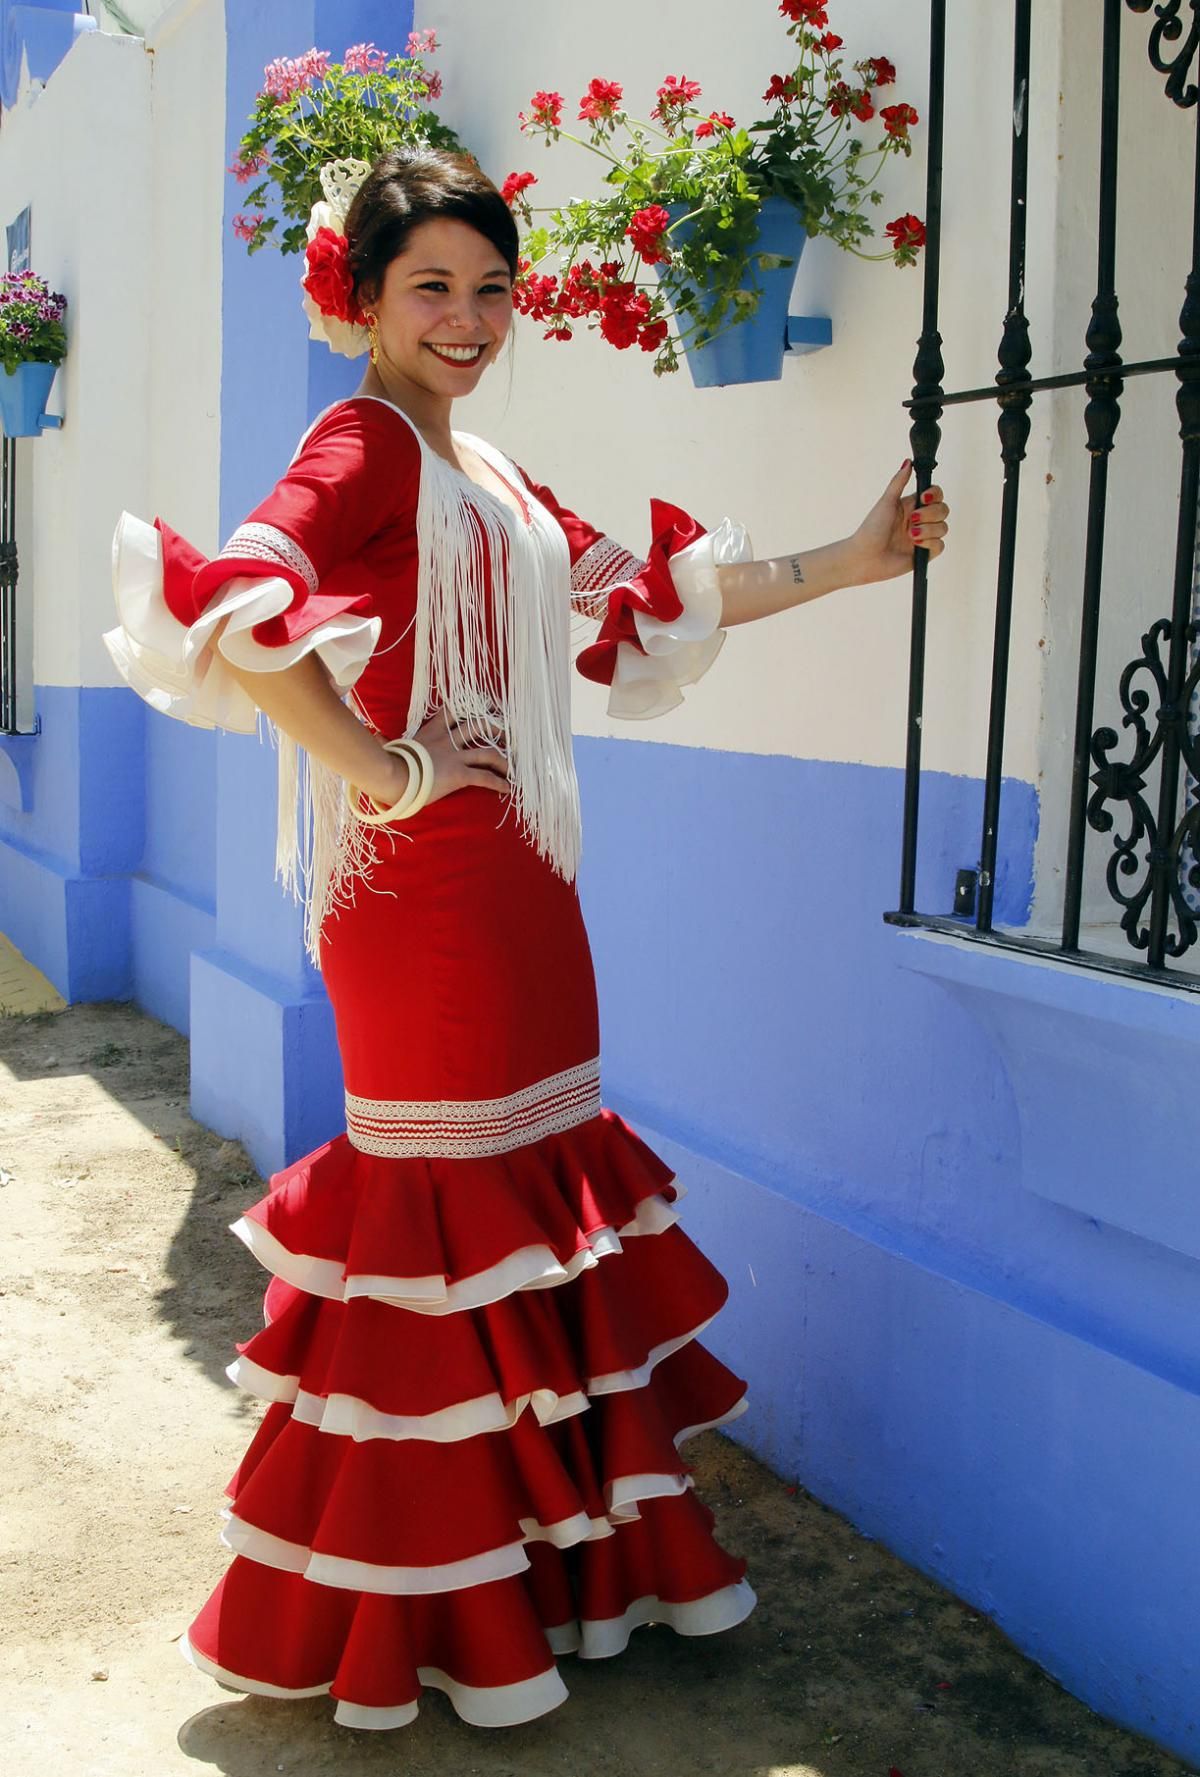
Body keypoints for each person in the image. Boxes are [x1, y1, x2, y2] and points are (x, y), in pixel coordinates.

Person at [104, 148, 949, 1733]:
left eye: (491, 287)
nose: (469, 316)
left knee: (527, 1208)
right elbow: (230, 612)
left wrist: (850, 562)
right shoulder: (355, 445)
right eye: (431, 285)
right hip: (420, 904)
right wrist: (388, 768)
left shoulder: (483, 471)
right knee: (439, 1222)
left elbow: (646, 593)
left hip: (524, 890)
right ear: (358, 298)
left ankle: (552, 1578)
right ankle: (421, 1612)